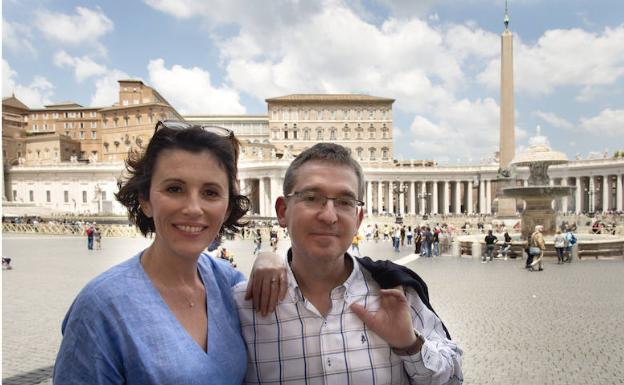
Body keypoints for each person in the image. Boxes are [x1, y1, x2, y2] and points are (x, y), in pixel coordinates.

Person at [53, 121, 286, 385]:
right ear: (145, 200)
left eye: (210, 192)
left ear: (227, 208)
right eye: (175, 189)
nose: (193, 208)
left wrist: (272, 257)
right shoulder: (100, 307)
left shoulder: (228, 283)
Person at [234, 143, 463, 384]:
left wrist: (410, 345)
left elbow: (453, 378)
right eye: (312, 198)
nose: (329, 216)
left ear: (358, 219)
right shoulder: (242, 305)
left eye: (344, 202)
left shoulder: (397, 292)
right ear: (282, 211)